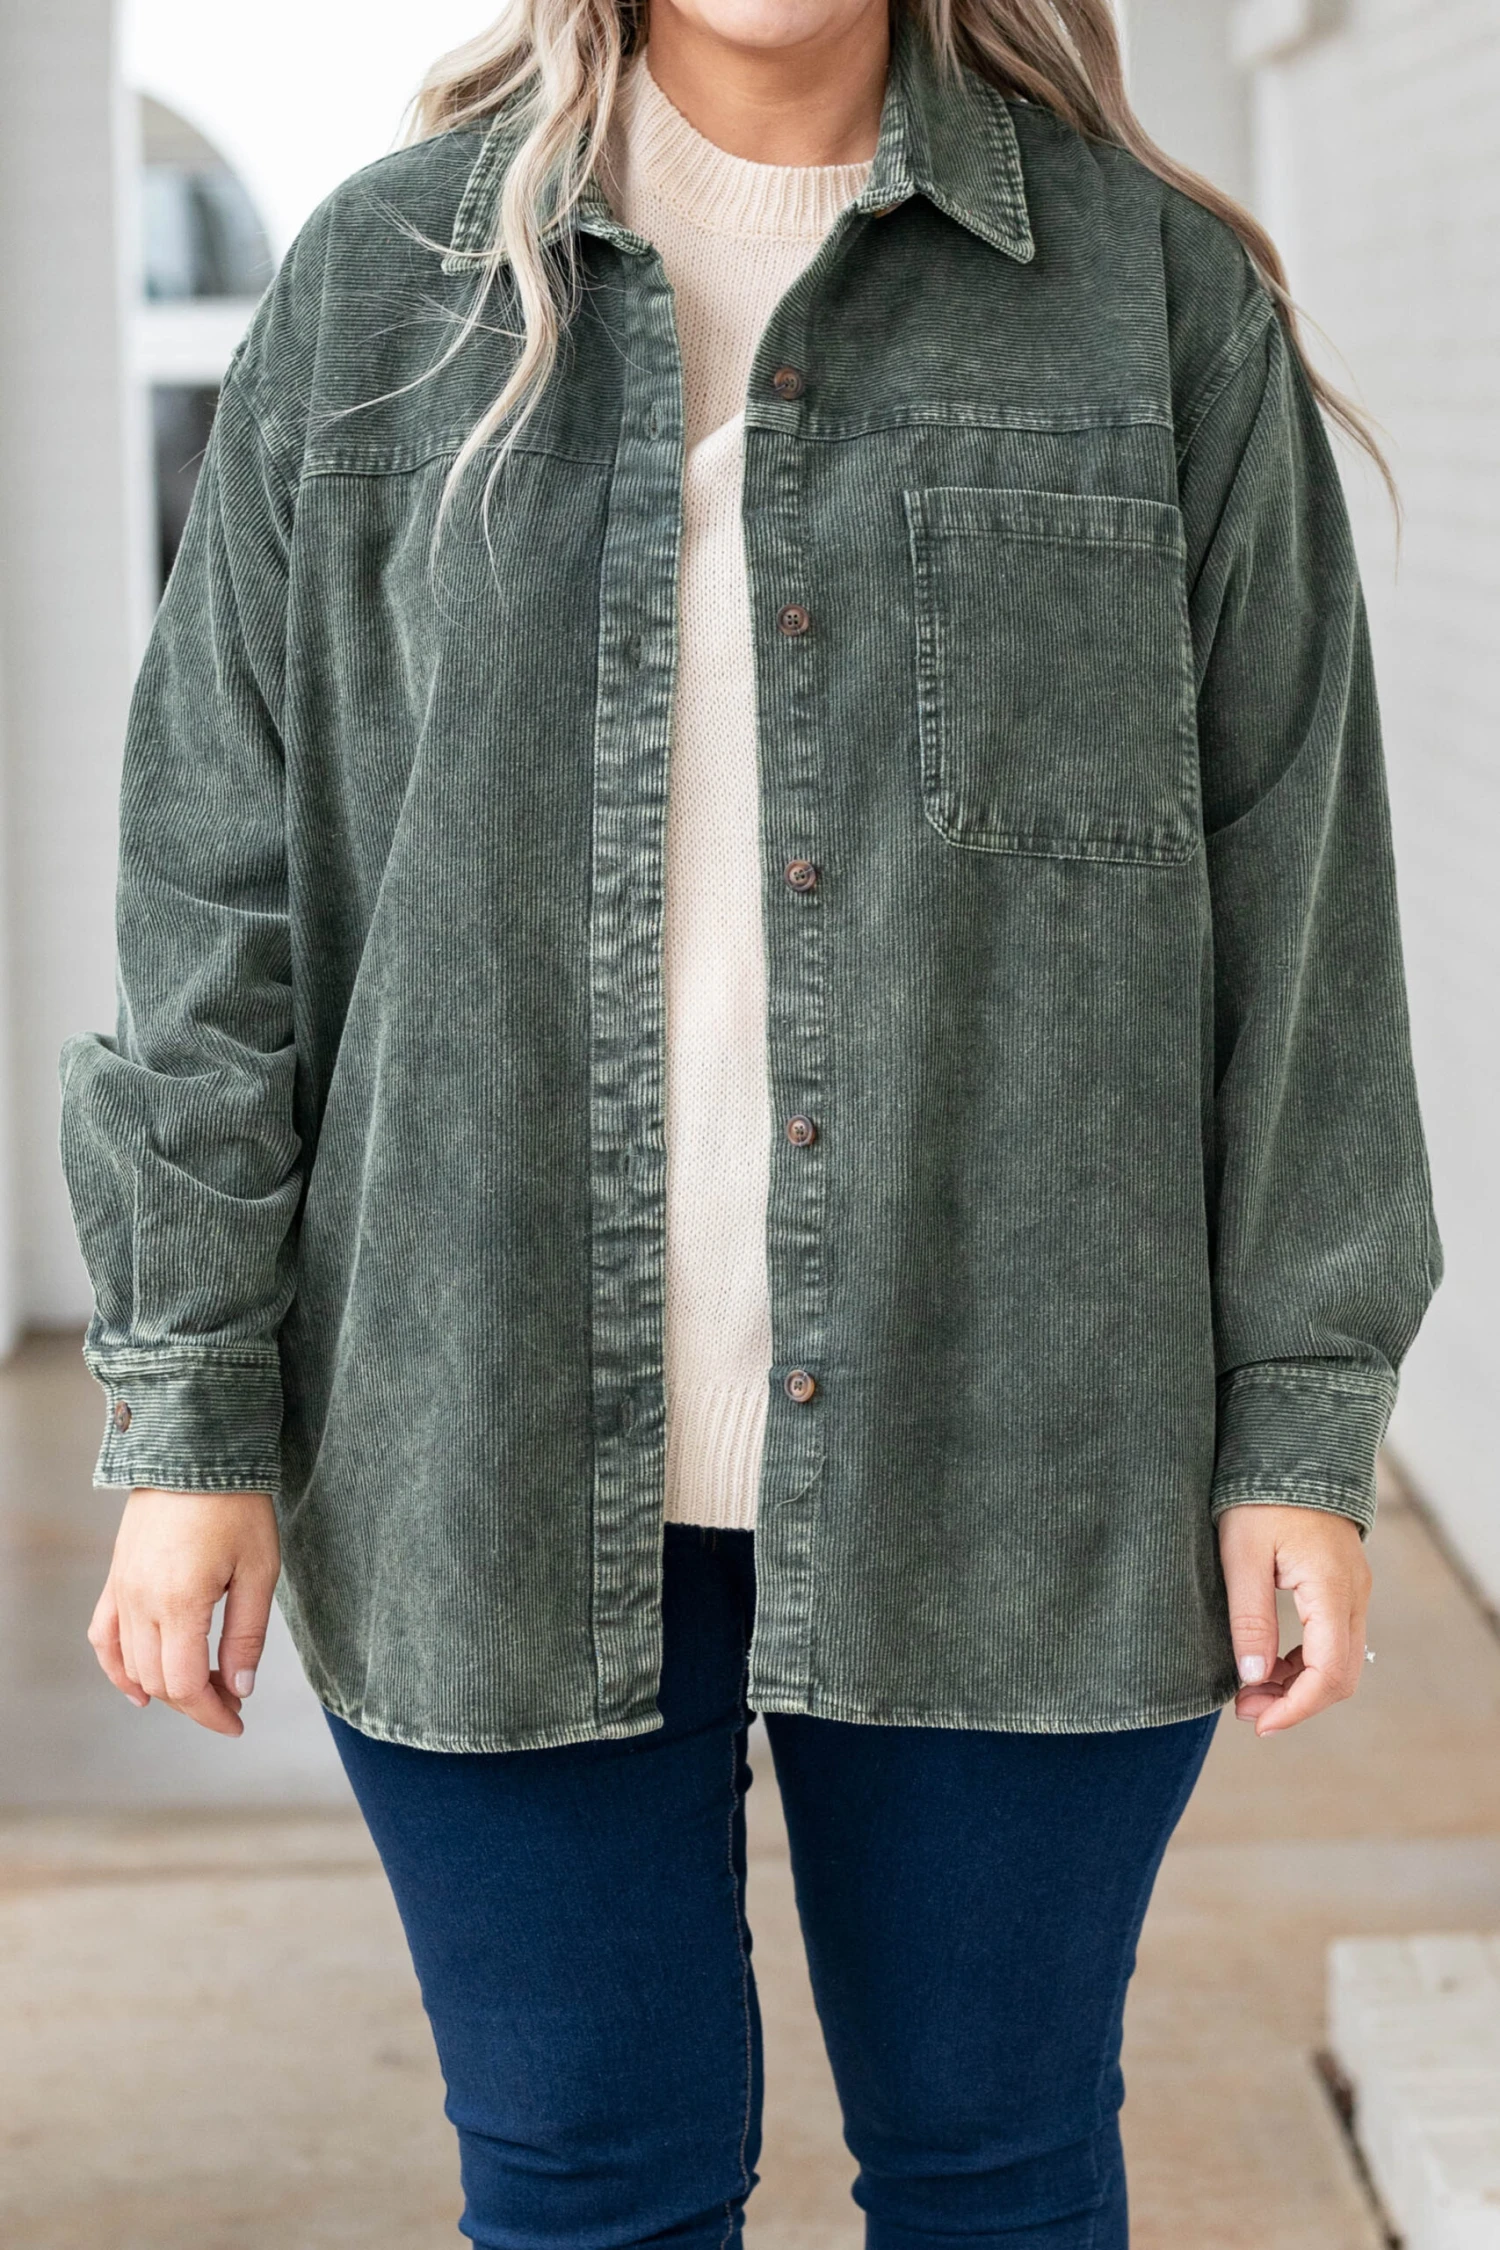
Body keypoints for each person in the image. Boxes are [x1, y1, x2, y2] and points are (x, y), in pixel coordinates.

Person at [60, 0, 1441, 2242]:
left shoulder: (1154, 304)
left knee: (998, 2176)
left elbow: (1301, 911)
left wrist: (1302, 1419)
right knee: (585, 2186)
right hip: (474, 1438)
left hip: (1027, 1443)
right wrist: (191, 1412)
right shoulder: (382, 293)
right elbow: (222, 890)